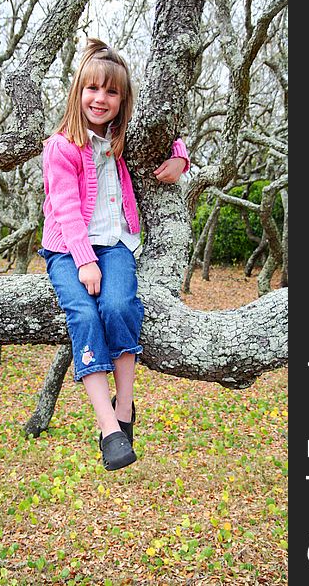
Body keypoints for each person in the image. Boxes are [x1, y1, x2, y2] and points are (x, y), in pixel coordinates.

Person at [38, 38, 189, 471]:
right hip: (67, 251)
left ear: (122, 100)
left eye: (111, 92)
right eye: (92, 89)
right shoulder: (62, 147)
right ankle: (108, 430)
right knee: (84, 316)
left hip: (118, 244)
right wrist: (84, 260)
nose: (100, 99)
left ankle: (125, 410)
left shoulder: (122, 141)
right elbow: (65, 209)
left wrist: (181, 158)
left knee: (119, 306)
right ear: (78, 92)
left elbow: (169, 139)